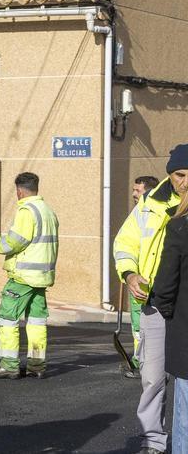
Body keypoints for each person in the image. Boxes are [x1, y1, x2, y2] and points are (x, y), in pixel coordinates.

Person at [114, 144, 188, 454]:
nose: (184, 181)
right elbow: (125, 242)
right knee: (153, 378)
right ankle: (154, 440)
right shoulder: (148, 203)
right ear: (170, 175)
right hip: (155, 301)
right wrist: (130, 274)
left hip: (183, 304)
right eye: (179, 174)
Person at [0, 172, 59, 379]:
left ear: (19, 191)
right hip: (41, 277)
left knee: (8, 318)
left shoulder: (27, 211)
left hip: (23, 277)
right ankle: (36, 365)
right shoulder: (48, 212)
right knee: (36, 321)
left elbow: (13, 242)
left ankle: (9, 365)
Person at [148, 193, 188, 454]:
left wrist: (170, 314)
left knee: (185, 417)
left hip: (186, 332)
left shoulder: (180, 227)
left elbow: (164, 285)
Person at [129, 175, 162, 362]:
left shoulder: (148, 214)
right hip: (137, 276)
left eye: (137, 190)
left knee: (140, 323)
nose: (134, 194)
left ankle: (140, 361)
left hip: (144, 279)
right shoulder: (138, 212)